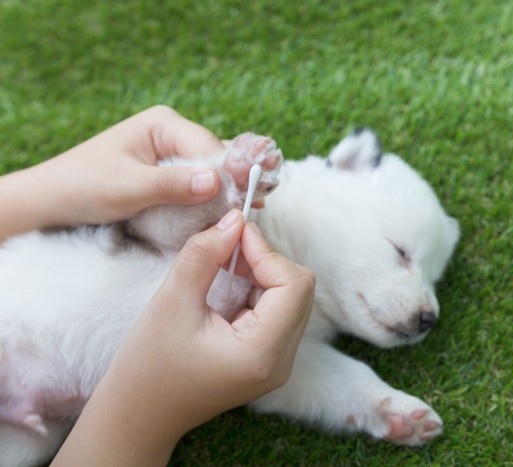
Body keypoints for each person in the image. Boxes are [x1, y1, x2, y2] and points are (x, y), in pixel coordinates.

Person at [0, 106, 315, 466]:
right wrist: (143, 415)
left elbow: (152, 232)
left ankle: (227, 181)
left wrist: (27, 195)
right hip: (41, 394)